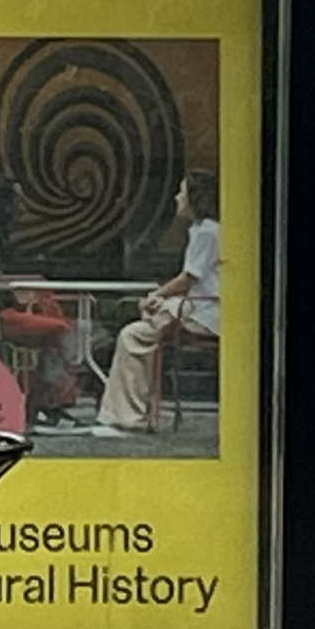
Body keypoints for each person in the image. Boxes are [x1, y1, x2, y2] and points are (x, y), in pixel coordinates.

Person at [99, 168, 221, 434]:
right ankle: (126, 415)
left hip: (206, 312)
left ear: (195, 198)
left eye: (182, 193)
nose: (177, 198)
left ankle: (126, 418)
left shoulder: (207, 233)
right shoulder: (203, 230)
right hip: (199, 308)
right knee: (134, 333)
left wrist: (156, 297)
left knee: (135, 334)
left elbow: (188, 279)